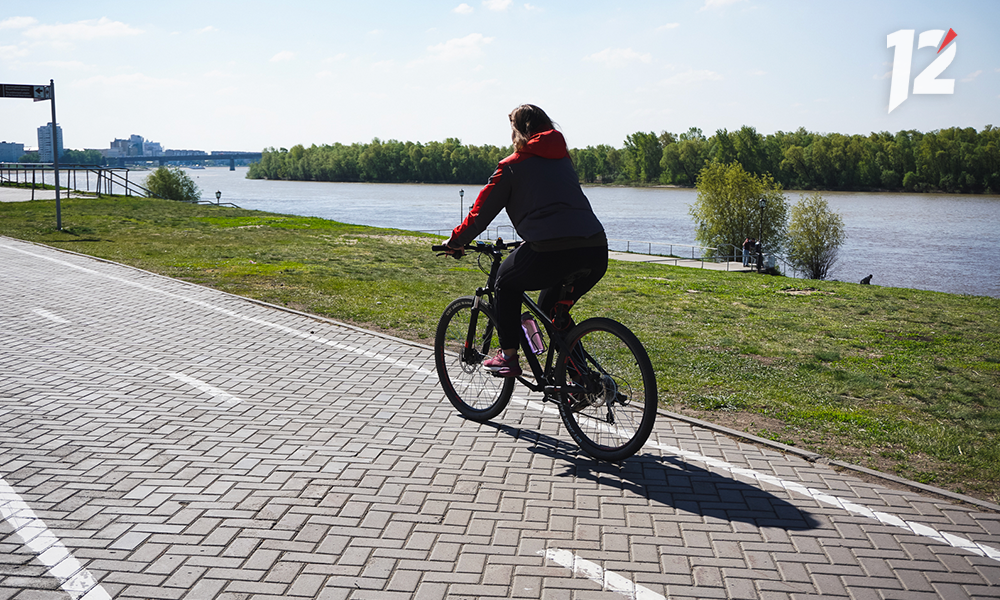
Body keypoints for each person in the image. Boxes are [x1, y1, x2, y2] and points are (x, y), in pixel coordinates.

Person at [444, 104, 608, 377]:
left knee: (505, 284)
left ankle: (508, 356)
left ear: (518, 131)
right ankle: (582, 379)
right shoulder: (562, 159)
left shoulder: (511, 167)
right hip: (595, 249)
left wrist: (456, 240)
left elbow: (479, 214)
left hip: (553, 251)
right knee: (552, 310)